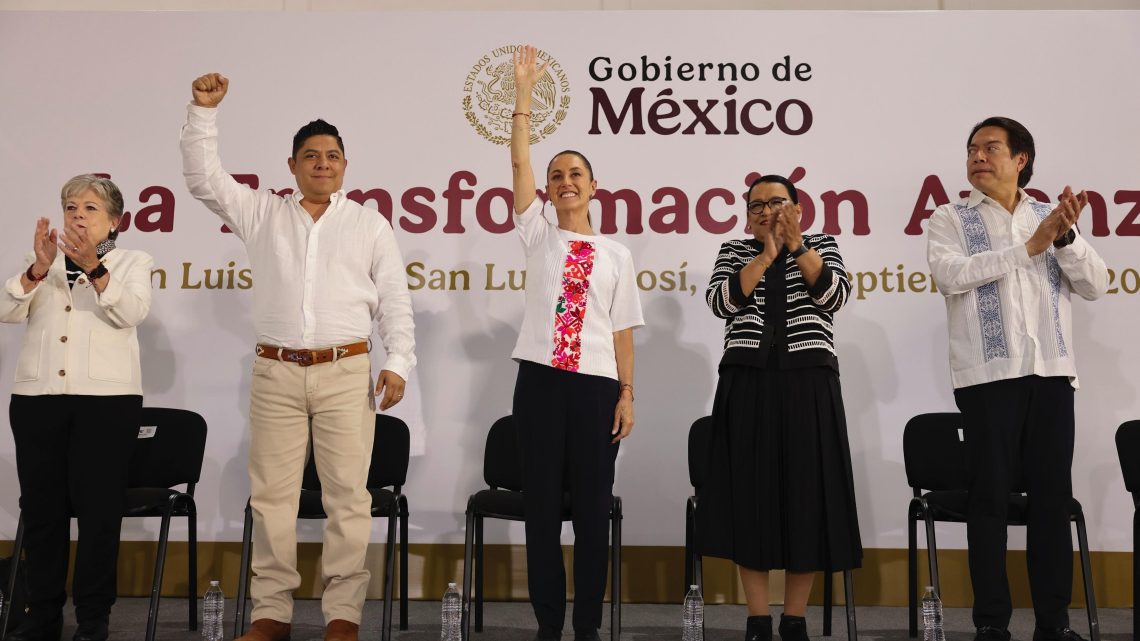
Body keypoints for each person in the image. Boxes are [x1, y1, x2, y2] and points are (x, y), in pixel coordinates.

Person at [180, 73, 416, 641]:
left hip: (346, 371)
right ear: (291, 166)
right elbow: (203, 179)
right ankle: (271, 615)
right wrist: (203, 112)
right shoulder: (262, 213)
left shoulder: (369, 224)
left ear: (345, 164)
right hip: (277, 372)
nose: (322, 163)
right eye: (310, 155)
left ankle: (343, 617)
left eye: (332, 155)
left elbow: (394, 301)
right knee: (273, 499)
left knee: (347, 500)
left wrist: (399, 360)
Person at [926, 117, 1107, 641]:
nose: (977, 157)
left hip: (1051, 375)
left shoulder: (1048, 217)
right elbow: (950, 276)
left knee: (1051, 502)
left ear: (1021, 159)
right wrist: (1030, 247)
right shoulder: (949, 217)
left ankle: (1053, 624)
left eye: (990, 148)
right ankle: (991, 624)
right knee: (989, 501)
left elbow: (1095, 285)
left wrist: (1064, 235)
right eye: (971, 150)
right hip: (988, 379)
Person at [508, 46, 644, 641]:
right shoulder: (537, 234)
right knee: (541, 512)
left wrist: (627, 394)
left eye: (575, 175)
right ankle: (548, 626)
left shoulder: (617, 254)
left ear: (594, 188)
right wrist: (522, 101)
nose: (564, 182)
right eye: (556, 175)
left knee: (591, 513)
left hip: (595, 390)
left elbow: (620, 330)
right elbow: (519, 170)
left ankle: (586, 627)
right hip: (539, 383)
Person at [696, 174, 862, 641]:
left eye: (778, 202)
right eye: (758, 205)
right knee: (750, 495)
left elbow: (835, 296)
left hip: (808, 382)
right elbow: (720, 302)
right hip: (746, 381)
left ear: (798, 210)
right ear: (748, 217)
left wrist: (796, 247)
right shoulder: (734, 251)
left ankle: (793, 619)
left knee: (805, 495)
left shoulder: (822, 245)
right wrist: (768, 254)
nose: (768, 210)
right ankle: (756, 619)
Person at [1, 174, 153, 641]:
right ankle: (41, 616)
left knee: (98, 514)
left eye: (89, 208)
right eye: (70, 207)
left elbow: (131, 313)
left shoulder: (133, 261)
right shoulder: (41, 260)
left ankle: (93, 619)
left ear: (114, 221)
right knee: (43, 513)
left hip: (106, 404)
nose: (77, 216)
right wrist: (36, 272)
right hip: (37, 400)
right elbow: (8, 310)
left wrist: (96, 270)